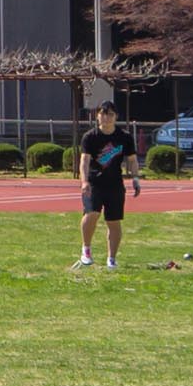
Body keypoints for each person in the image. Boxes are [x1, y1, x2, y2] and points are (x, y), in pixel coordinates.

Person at [77, 112, 134, 272]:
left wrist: (135, 178)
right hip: (94, 183)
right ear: (97, 116)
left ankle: (111, 259)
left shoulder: (124, 137)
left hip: (115, 184)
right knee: (91, 213)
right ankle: (86, 250)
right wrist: (84, 181)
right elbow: (84, 160)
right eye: (103, 114)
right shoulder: (90, 136)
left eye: (110, 114)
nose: (106, 118)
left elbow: (132, 159)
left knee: (113, 221)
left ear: (116, 117)